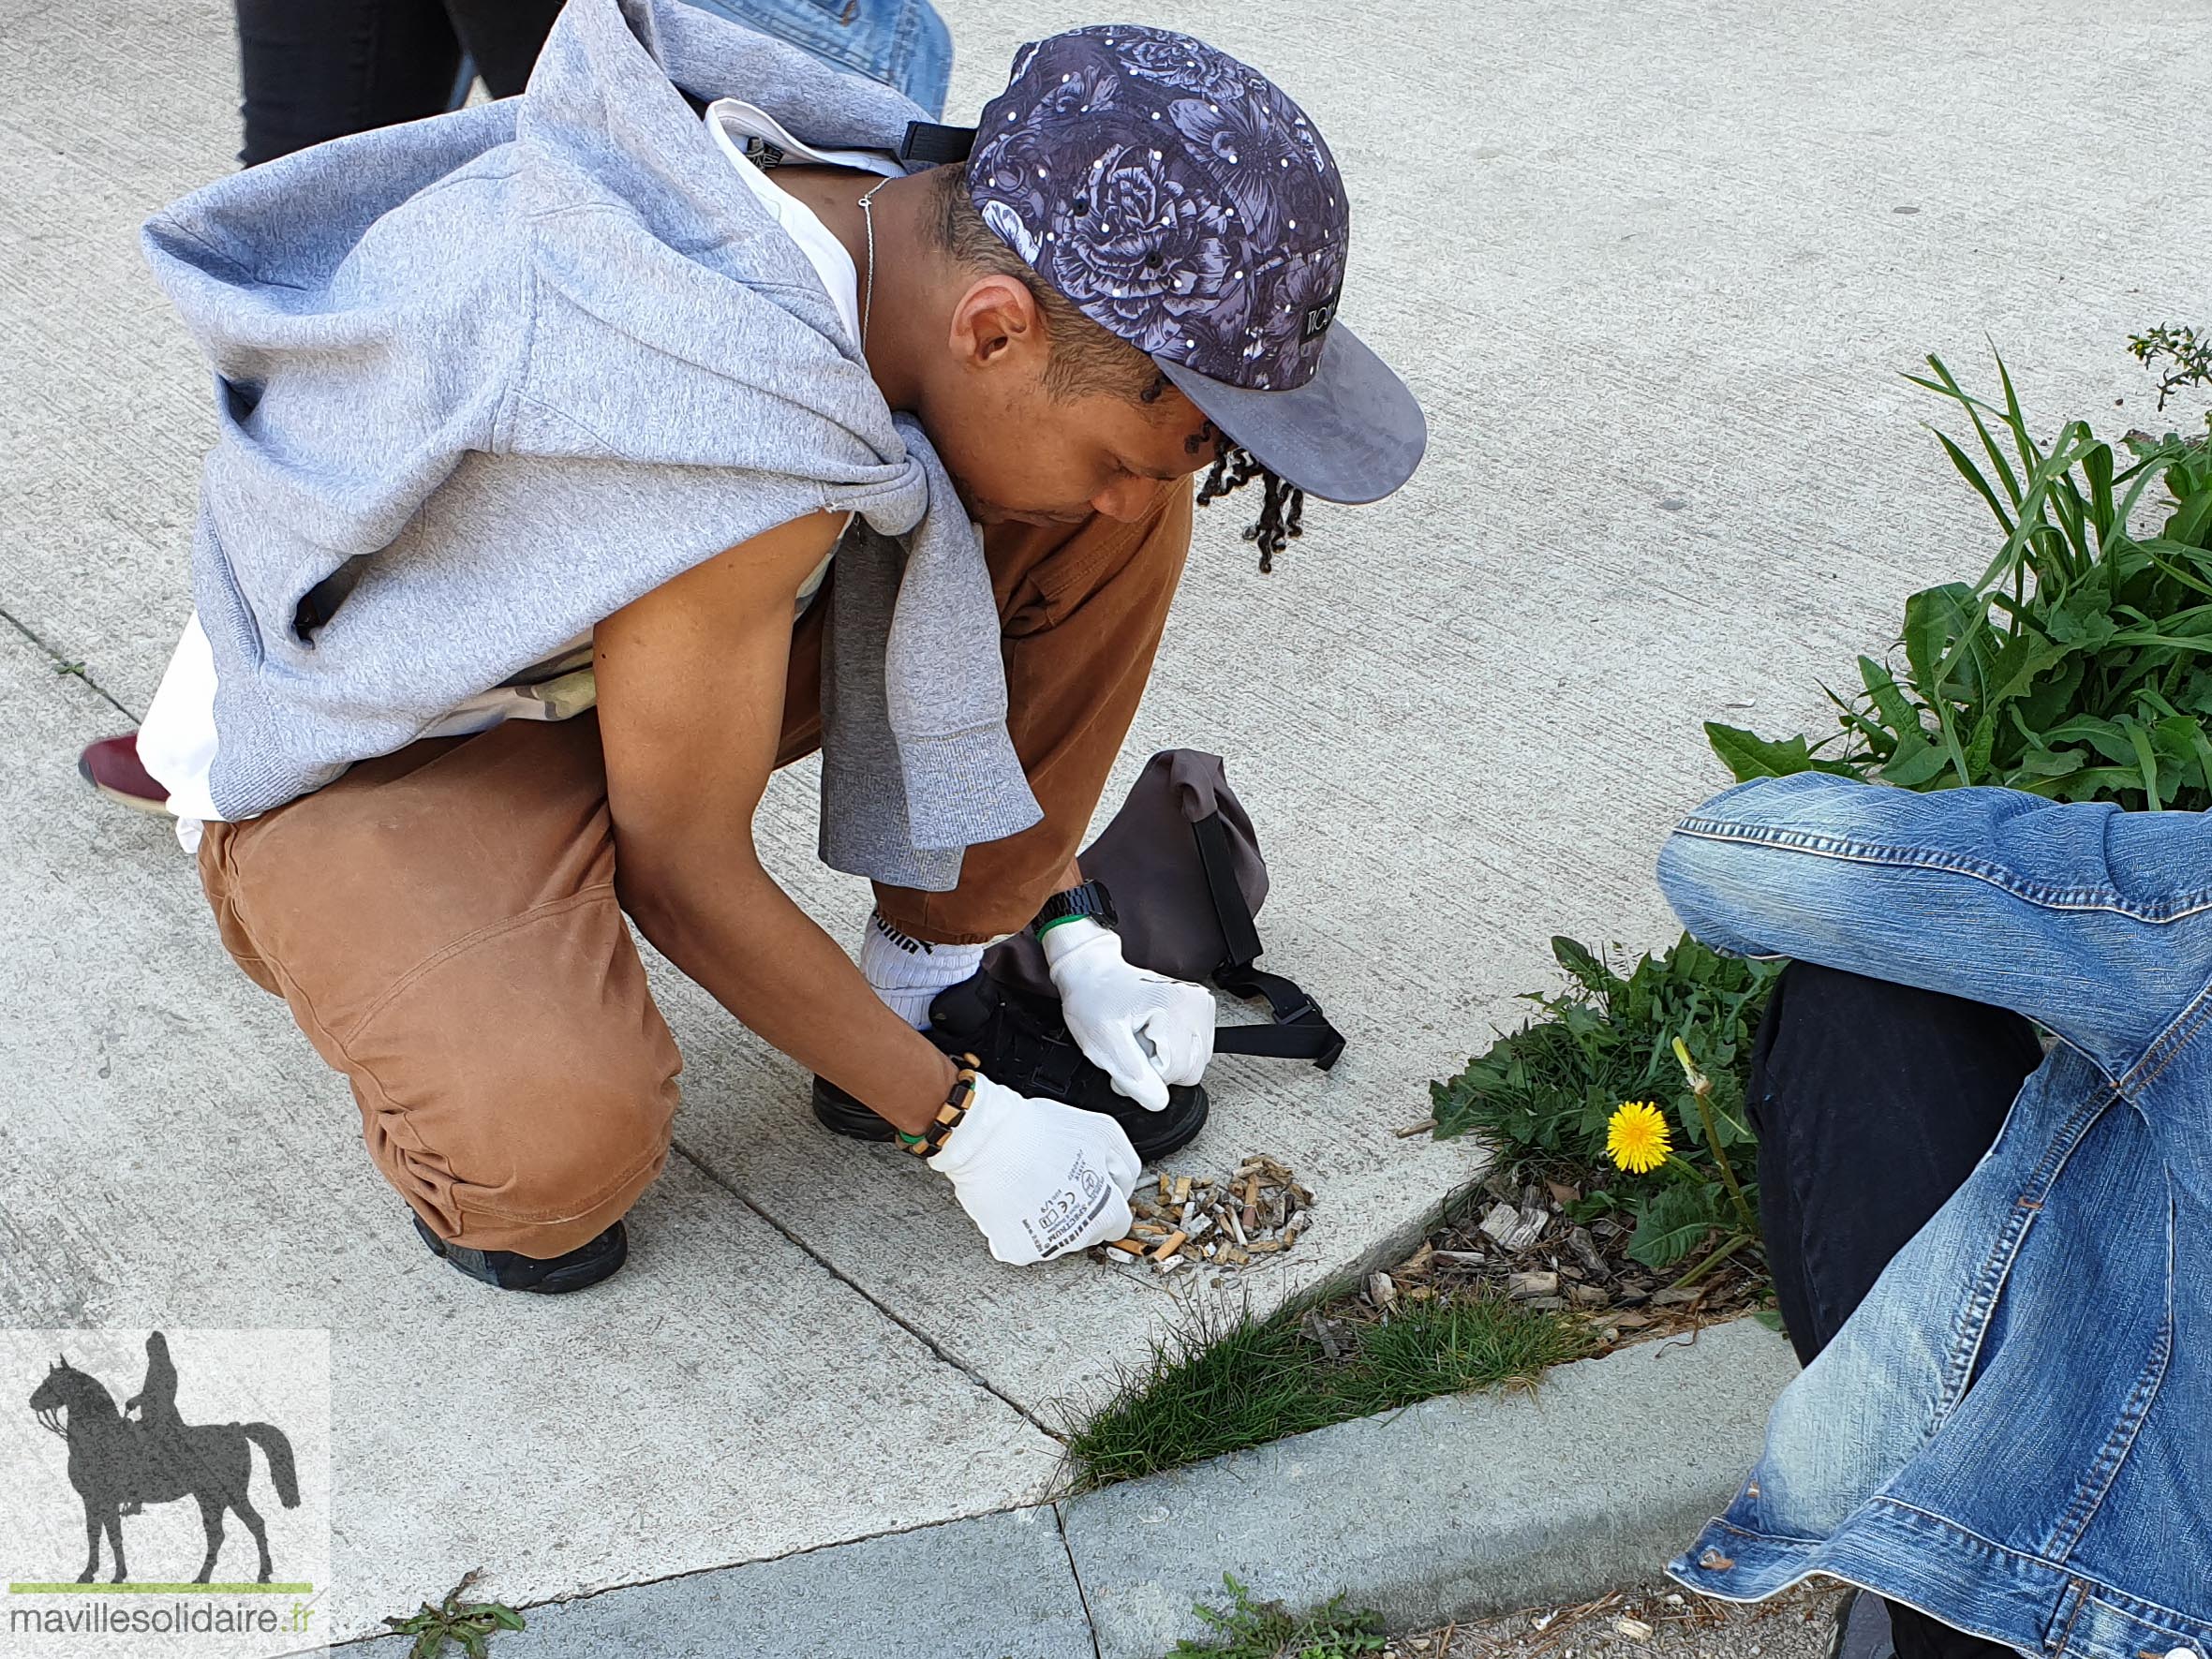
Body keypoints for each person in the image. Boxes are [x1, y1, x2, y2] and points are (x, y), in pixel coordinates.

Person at [123, 0, 1426, 1294]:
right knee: (551, 1154)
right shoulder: (723, 408)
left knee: (1089, 517)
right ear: (990, 328)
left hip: (626, 640)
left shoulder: (883, 196)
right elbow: (681, 869)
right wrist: (960, 1126)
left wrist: (1067, 920)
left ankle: (937, 973)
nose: (1134, 496)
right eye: (1122, 457)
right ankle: (430, 975)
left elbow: (1055, 493)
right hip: (386, 734)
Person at [1656, 774, 2212, 1658]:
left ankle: (1930, 1567)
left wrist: (2082, 866)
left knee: (1866, 1001)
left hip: (2115, 1613)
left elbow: (1726, 855)